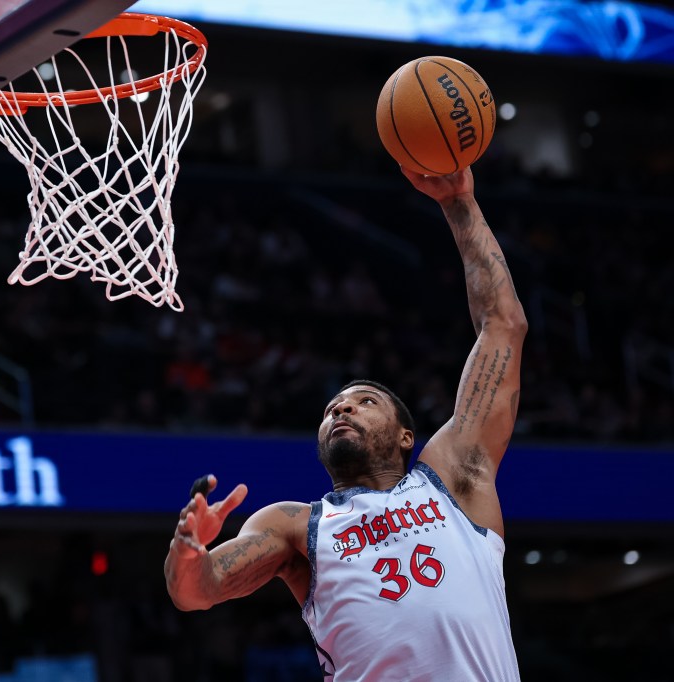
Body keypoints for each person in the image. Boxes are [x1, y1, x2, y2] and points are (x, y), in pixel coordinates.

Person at [164, 166, 526, 681]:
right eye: (333, 407)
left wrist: (459, 202)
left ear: (407, 436)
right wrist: (188, 551)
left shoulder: (454, 480)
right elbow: (197, 590)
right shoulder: (294, 526)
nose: (342, 409)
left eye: (365, 401)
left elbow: (504, 327)